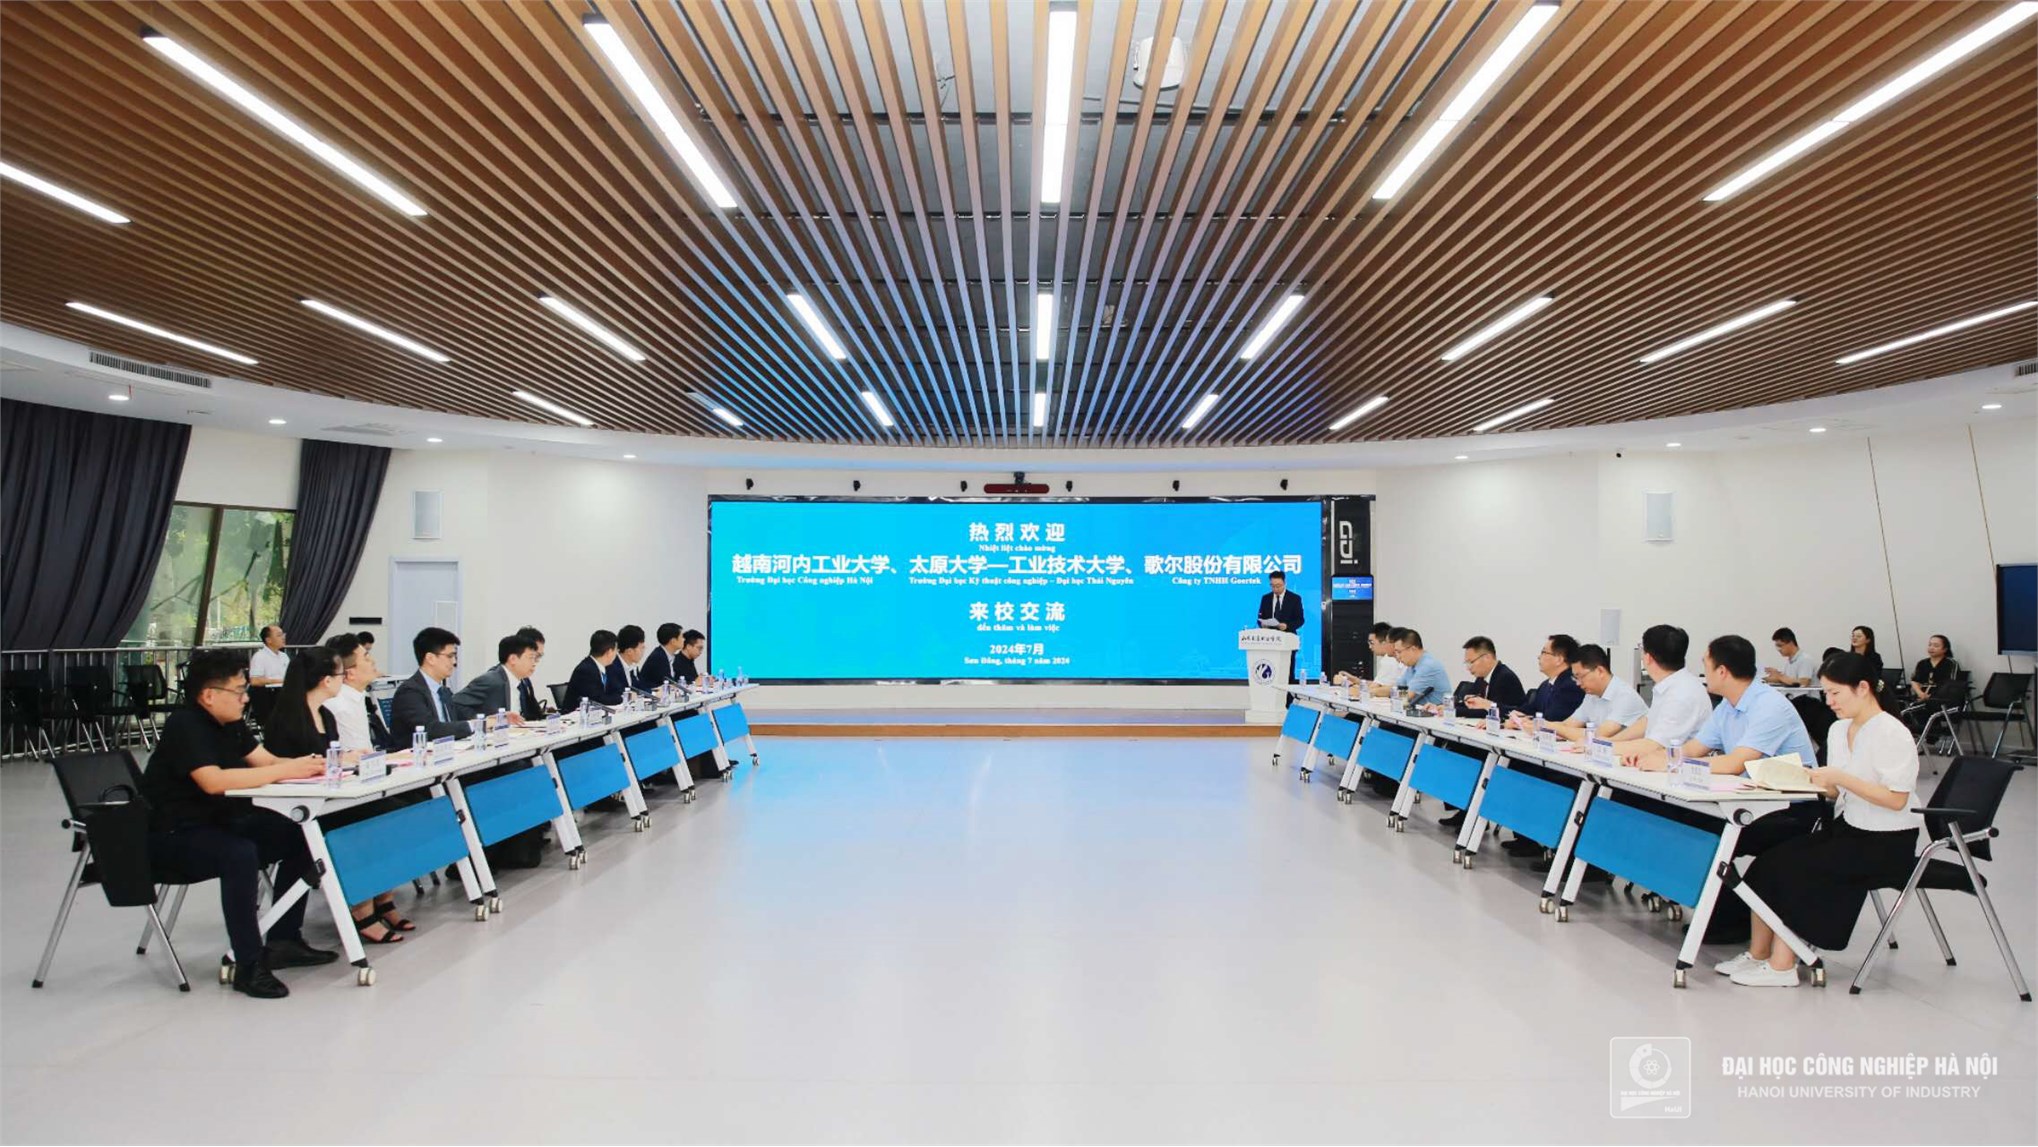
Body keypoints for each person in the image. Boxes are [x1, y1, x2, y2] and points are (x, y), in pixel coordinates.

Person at [140, 649, 338, 998]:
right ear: (209, 695)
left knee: (303, 836)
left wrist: (311, 765)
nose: (246, 698)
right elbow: (213, 781)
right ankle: (248, 964)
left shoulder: (231, 724)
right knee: (239, 854)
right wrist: (286, 770)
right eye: (239, 691)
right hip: (173, 834)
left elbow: (267, 761)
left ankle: (284, 939)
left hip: (219, 823)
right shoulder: (185, 725)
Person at [1718, 653, 1921, 987]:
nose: (1829, 701)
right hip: (1849, 829)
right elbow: (1836, 791)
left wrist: (1840, 778)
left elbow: (1896, 799)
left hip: (1886, 840)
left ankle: (1783, 966)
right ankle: (1758, 954)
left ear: (1863, 688)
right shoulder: (1839, 730)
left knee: (1797, 872)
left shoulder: (1891, 732)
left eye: (1835, 693)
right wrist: (1797, 780)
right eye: (1826, 693)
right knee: (1766, 865)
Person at [264, 648, 413, 945]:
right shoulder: (287, 719)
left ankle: (381, 899)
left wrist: (350, 758)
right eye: (338, 674)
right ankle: (362, 910)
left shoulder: (325, 714)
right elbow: (293, 767)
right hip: (300, 805)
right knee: (369, 822)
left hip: (329, 797)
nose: (342, 679)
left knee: (394, 811)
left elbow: (329, 757)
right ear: (325, 680)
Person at [1639, 634, 1819, 774]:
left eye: (1706, 666)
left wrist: (1672, 763)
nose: (1704, 674)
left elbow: (1735, 764)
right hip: (1753, 797)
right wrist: (1655, 757)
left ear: (1722, 671)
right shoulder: (1727, 705)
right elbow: (1694, 748)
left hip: (1792, 804)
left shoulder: (1769, 706)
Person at [1613, 625, 1714, 765]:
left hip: (1677, 770)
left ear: (1648, 658)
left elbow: (1654, 746)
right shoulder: (1671, 685)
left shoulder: (1683, 693)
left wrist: (1599, 746)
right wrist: (1610, 741)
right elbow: (1649, 721)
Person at [1546, 644, 1648, 744]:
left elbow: (1597, 735)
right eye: (1575, 678)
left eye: (1581, 676)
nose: (1578, 683)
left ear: (1600, 671)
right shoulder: (1591, 695)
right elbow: (1568, 725)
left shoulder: (1625, 696)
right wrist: (1542, 726)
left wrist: (1551, 726)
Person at [389, 627, 468, 743]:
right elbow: (431, 730)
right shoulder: (409, 692)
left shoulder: (444, 692)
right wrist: (473, 725)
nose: (454, 662)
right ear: (430, 658)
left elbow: (453, 725)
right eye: (450, 656)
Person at [322, 634, 392, 752]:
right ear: (350, 674)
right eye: (366, 658)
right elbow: (358, 756)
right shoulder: (340, 706)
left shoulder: (355, 696)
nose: (373, 661)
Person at [451, 634, 539, 723]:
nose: (534, 663)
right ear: (513, 659)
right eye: (531, 658)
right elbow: (454, 703)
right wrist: (484, 721)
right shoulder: (491, 680)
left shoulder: (522, 683)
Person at [1508, 634, 1584, 726]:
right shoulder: (1545, 685)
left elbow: (1552, 718)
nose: (1539, 657)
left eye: (1544, 652)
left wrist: (1524, 720)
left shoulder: (1571, 685)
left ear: (1559, 660)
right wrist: (1514, 716)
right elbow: (1527, 710)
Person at [1902, 634, 1962, 735]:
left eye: (1936, 646)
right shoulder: (1922, 663)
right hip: (1922, 698)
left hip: (1941, 699)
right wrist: (1920, 693)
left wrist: (1930, 697)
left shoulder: (1951, 663)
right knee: (1903, 707)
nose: (1931, 648)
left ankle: (1930, 736)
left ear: (1945, 649)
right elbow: (1915, 681)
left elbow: (1951, 684)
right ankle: (1919, 736)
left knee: (1923, 708)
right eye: (1930, 645)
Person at [1454, 636, 1525, 718]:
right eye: (1467, 663)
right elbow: (1471, 705)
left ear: (1487, 658)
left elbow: (1490, 711)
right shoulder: (1481, 678)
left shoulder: (1505, 677)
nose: (1468, 668)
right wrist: (1449, 707)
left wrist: (1454, 711)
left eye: (1471, 662)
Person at [1393, 629, 1452, 709]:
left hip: (1438, 713)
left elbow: (1406, 696)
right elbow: (1398, 687)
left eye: (1399, 652)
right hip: (1422, 712)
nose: (1398, 657)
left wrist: (1392, 695)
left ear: (1413, 649)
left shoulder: (1428, 666)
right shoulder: (1412, 665)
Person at [565, 630, 624, 710]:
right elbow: (598, 700)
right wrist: (623, 698)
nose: (616, 654)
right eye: (616, 651)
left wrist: (621, 695)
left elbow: (618, 689)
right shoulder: (585, 670)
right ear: (609, 652)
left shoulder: (607, 667)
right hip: (577, 715)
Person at [515, 626, 549, 719]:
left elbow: (534, 711)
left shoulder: (525, 680)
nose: (535, 662)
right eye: (534, 656)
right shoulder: (499, 681)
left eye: (539, 657)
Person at [641, 623, 686, 690]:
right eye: (682, 637)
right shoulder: (658, 657)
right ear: (673, 641)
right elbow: (669, 684)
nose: (684, 639)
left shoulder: (669, 656)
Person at [610, 625, 649, 695]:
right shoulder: (613, 667)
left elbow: (639, 688)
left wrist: (654, 693)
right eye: (642, 648)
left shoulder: (632, 665)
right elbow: (619, 693)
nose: (644, 650)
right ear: (629, 651)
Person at [1851, 625, 1886, 693]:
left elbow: (1874, 676)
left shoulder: (1874, 657)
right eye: (1853, 636)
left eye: (1858, 636)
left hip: (1868, 689)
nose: (1854, 638)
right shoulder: (1847, 657)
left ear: (1868, 640)